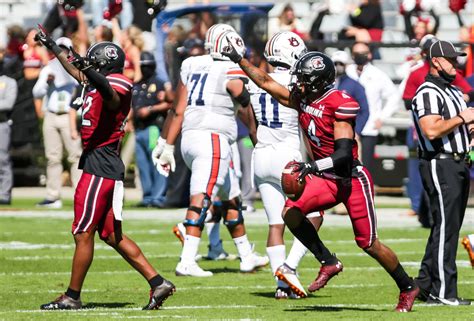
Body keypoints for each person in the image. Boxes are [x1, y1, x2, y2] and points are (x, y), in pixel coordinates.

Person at [221, 40, 419, 312]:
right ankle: (328, 261)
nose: (297, 85)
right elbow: (266, 82)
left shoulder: (339, 104)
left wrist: (312, 167)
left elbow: (344, 154)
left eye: (303, 80)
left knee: (369, 243)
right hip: (328, 179)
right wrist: (239, 60)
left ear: (317, 81)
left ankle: (408, 286)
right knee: (290, 213)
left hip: (350, 179)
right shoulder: (305, 98)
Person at [34, 28, 175, 310]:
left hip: (101, 165)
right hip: (99, 163)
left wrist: (86, 66)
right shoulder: (93, 80)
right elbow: (80, 73)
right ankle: (158, 283)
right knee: (111, 235)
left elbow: (108, 92)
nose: (86, 65)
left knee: (82, 232)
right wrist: (53, 46)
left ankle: (72, 296)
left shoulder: (118, 82)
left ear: (102, 63)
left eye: (91, 62)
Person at [156, 24, 268, 277]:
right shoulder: (230, 68)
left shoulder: (192, 64)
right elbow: (239, 94)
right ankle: (187, 260)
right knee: (202, 197)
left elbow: (177, 109)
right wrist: (254, 130)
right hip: (213, 138)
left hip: (190, 137)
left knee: (231, 197)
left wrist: (166, 143)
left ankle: (246, 255)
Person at [248, 31, 313, 299]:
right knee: (314, 215)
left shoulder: (256, 81)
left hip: (262, 154)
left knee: (276, 223)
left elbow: (250, 117)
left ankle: (282, 287)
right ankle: (290, 267)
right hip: (288, 155)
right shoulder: (299, 83)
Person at [411, 40, 474, 306]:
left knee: (445, 227)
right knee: (446, 228)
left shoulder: (455, 92)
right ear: (436, 61)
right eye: (451, 59)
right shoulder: (427, 92)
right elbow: (431, 130)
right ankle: (444, 292)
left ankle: (423, 285)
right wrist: (463, 118)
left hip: (459, 162)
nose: (456, 63)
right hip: (440, 162)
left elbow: (462, 124)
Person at [33, 37, 82, 209]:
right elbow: (36, 91)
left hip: (69, 116)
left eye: (64, 48)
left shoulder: (76, 67)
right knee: (52, 157)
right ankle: (53, 196)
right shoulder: (49, 68)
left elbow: (83, 85)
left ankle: (80, 194)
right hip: (52, 115)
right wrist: (47, 83)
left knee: (75, 156)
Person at [346, 42, 401, 173]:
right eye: (356, 53)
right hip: (347, 125)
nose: (359, 56)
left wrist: (382, 117)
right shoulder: (346, 72)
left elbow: (394, 96)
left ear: (369, 55)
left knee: (365, 168)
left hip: (369, 127)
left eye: (363, 53)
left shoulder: (378, 74)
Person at [131, 51, 171, 208]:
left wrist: (151, 109)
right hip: (139, 128)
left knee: (156, 161)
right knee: (143, 165)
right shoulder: (137, 85)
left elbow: (169, 104)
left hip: (153, 127)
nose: (146, 69)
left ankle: (158, 197)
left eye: (148, 66)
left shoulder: (160, 83)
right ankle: (147, 196)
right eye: (143, 66)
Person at [0, 53, 18, 205]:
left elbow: (8, 103)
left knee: (2, 159)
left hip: (2, 124)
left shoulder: (9, 82)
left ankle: (4, 194)